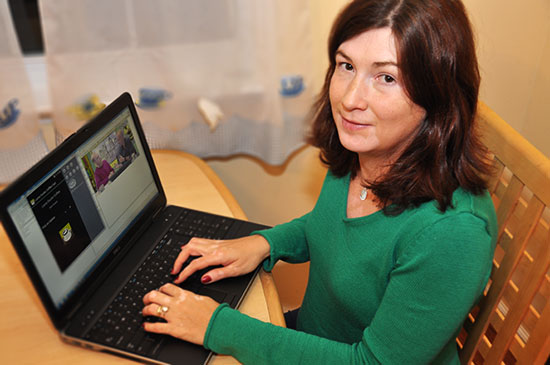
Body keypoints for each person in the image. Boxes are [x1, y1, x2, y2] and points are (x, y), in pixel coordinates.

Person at [141, 0, 498, 363]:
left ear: (437, 94)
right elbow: (335, 230)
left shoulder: (453, 232)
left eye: (386, 77)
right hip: (313, 338)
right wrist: (266, 244)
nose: (349, 98)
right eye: (346, 66)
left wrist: (218, 327)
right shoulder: (368, 149)